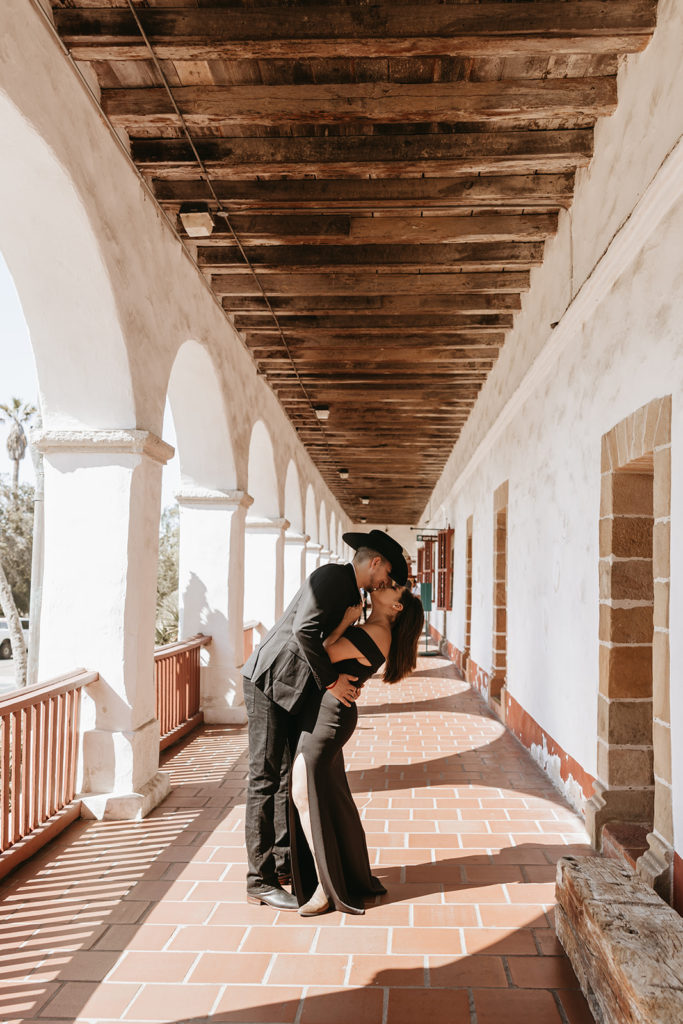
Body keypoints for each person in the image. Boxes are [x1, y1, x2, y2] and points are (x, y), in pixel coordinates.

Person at [241, 529, 409, 910]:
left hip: (293, 689)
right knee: (265, 778)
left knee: (286, 776)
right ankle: (259, 880)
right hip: (270, 681)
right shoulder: (333, 577)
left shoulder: (353, 594)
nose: (386, 583)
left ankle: (285, 865)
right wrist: (332, 682)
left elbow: (331, 641)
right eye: (387, 575)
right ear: (376, 562)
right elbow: (304, 632)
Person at [290, 578, 424, 916]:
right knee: (328, 797)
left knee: (305, 794)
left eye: (394, 588)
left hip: (330, 717)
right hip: (331, 712)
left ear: (396, 607)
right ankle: (345, 875)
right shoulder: (375, 627)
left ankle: (325, 887)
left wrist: (345, 623)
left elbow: (325, 652)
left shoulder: (378, 631)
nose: (386, 585)